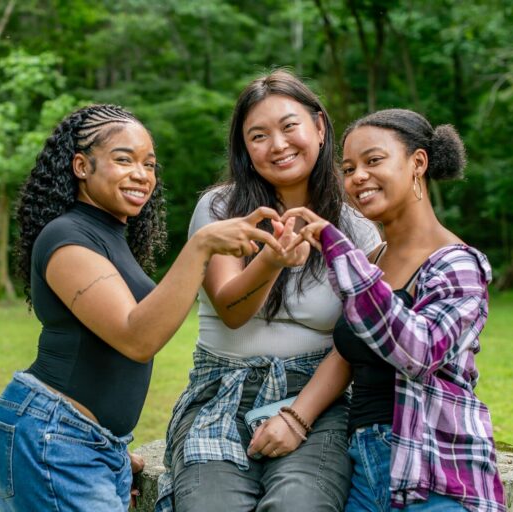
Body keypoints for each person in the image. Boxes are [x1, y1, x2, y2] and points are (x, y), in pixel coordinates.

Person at [0, 104, 289, 511]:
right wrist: (200, 246)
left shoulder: (108, 234)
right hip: (53, 437)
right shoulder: (67, 237)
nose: (142, 175)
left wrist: (107, 445)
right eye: (123, 159)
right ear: (81, 165)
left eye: (149, 164)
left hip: (86, 441)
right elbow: (137, 338)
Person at [156, 70, 381, 512]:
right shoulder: (220, 209)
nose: (277, 145)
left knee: (299, 504)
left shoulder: (358, 228)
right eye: (258, 135)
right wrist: (272, 260)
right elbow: (231, 310)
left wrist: (298, 418)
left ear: (319, 127)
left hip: (317, 398)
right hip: (220, 390)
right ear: (244, 148)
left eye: (289, 126)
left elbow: (356, 340)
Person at [282, 108, 506, 511]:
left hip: (436, 470)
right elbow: (346, 352)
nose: (357, 178)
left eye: (373, 161)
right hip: (365, 466)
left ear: (417, 162)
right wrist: (294, 419)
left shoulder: (457, 264)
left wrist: (339, 252)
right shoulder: (371, 259)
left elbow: (419, 352)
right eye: (348, 169)